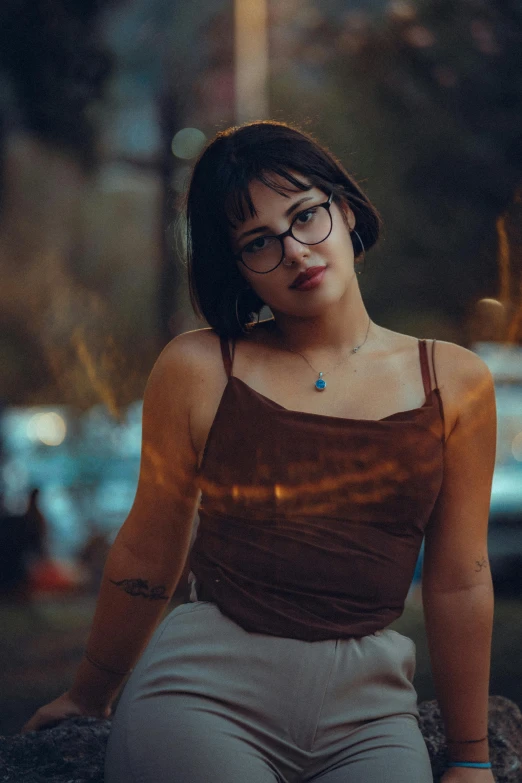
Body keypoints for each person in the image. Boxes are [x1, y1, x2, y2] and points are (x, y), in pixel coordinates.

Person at [22, 121, 497, 783]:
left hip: (370, 714)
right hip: (201, 695)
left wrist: (471, 753)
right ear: (238, 267)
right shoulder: (199, 366)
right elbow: (151, 542)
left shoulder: (455, 379)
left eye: (306, 217)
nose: (296, 252)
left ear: (347, 211)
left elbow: (461, 576)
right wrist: (91, 691)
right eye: (259, 242)